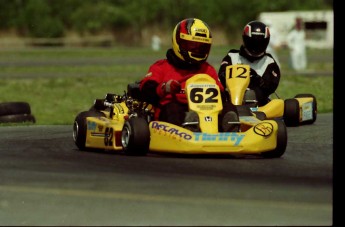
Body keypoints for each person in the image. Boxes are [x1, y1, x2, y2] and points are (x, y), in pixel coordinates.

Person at [139, 18, 239, 132]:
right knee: (173, 109)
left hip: (208, 112)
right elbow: (145, 90)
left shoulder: (207, 69)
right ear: (179, 42)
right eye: (192, 46)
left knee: (228, 106)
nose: (197, 50)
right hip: (172, 114)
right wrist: (165, 88)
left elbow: (221, 95)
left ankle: (231, 128)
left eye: (202, 47)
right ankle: (188, 125)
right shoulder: (161, 67)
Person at [218, 20, 281, 107]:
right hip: (230, 103)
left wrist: (257, 80)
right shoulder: (232, 57)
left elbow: (270, 86)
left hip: (259, 107)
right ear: (245, 39)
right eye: (253, 42)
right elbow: (221, 76)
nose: (256, 46)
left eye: (260, 43)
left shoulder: (269, 62)